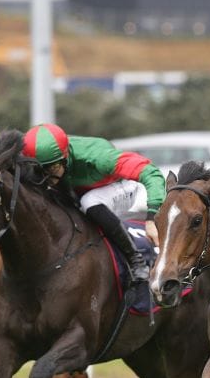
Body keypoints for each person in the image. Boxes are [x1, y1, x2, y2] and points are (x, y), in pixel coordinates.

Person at [21, 122, 162, 284]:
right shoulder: (44, 160)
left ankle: (135, 260)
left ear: (65, 159)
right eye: (40, 170)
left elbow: (151, 171)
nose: (46, 176)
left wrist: (152, 217)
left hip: (121, 187)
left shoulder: (98, 157)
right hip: (82, 190)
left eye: (51, 169)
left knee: (89, 201)